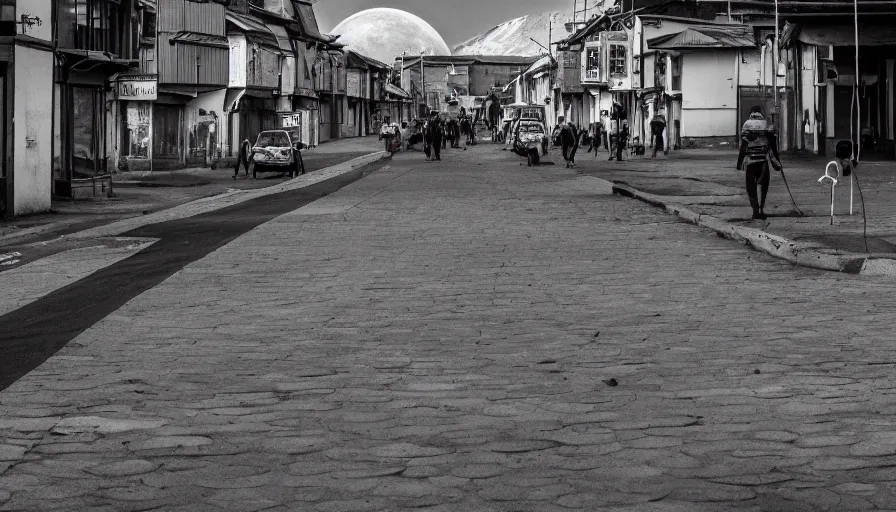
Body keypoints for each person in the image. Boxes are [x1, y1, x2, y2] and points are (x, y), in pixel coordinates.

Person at [737, 106, 782, 220]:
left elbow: (743, 145)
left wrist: (740, 162)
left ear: (751, 112)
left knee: (750, 187)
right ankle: (761, 209)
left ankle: (755, 210)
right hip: (762, 161)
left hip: (750, 161)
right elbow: (772, 146)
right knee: (763, 186)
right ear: (761, 112)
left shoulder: (746, 124)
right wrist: (777, 162)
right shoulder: (766, 124)